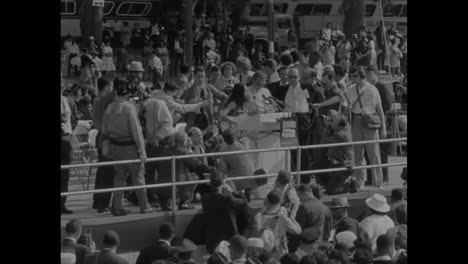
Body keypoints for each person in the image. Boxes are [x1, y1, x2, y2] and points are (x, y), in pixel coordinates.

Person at [101, 78, 154, 216]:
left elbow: (104, 129)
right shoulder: (129, 108)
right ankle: (145, 206)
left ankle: (117, 207)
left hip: (115, 146)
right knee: (138, 177)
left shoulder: (110, 107)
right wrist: (142, 151)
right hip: (130, 147)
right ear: (128, 95)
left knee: (119, 177)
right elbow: (136, 132)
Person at [345, 66, 386, 189]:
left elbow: (379, 109)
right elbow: (343, 100)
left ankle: (378, 182)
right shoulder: (350, 89)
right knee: (358, 154)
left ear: (362, 75)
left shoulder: (373, 89)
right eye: (352, 76)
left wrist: (383, 126)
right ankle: (359, 182)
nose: (353, 78)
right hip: (356, 120)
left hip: (370, 120)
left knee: (374, 154)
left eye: (355, 76)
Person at [202, 170, 247, 254]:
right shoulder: (228, 198)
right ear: (223, 182)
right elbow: (244, 202)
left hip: (212, 240)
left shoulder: (204, 198)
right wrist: (233, 191)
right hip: (229, 239)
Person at [92, 78, 115, 213]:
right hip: (105, 136)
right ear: (107, 86)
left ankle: (98, 201)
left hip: (100, 135)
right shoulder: (103, 99)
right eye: (111, 86)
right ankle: (102, 203)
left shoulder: (97, 98)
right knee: (106, 172)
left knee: (102, 171)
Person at [255, 191, 301, 258]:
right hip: (279, 250)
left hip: (263, 249)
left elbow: (257, 232)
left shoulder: (259, 216)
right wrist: (292, 219)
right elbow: (297, 231)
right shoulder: (283, 213)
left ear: (268, 200)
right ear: (280, 200)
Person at [294, 185, 332, 258]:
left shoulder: (303, 207)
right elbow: (329, 229)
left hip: (306, 246)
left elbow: (298, 229)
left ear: (306, 193)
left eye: (299, 196)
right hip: (321, 247)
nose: (299, 199)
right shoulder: (325, 207)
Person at [218, 129, 257, 200]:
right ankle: (246, 196)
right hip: (252, 176)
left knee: (225, 177)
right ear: (235, 137)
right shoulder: (243, 145)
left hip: (238, 181)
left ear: (224, 140)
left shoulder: (225, 153)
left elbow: (222, 170)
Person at [61, 89, 74, 214]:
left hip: (65, 140)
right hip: (62, 138)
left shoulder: (64, 100)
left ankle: (62, 204)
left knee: (65, 175)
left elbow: (68, 120)